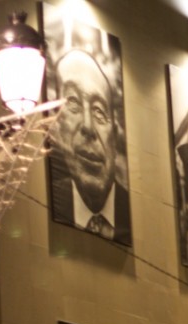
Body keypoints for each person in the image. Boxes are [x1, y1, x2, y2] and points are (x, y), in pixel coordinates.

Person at [50, 49, 131, 245]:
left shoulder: (133, 214)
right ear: (57, 125)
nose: (88, 126)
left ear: (115, 131)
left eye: (99, 111)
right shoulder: (49, 203)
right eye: (73, 103)